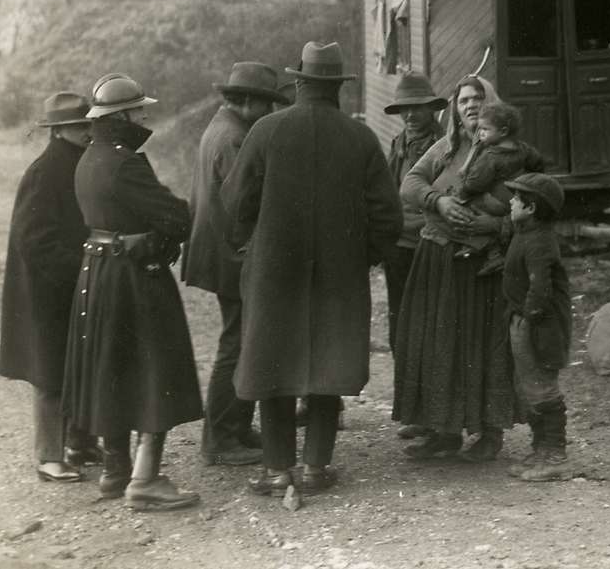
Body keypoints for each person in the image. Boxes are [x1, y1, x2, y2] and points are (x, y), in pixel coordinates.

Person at [222, 42, 402, 498]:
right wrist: (365, 256)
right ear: (337, 88)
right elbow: (388, 215)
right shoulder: (361, 138)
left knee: (271, 360)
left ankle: (277, 468)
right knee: (328, 361)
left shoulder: (265, 130)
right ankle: (315, 468)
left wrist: (248, 243)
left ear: (299, 82)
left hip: (273, 268)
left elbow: (235, 201)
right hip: (340, 275)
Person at [62, 73, 203, 511]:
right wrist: (172, 230)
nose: (145, 116)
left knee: (112, 367)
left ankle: (115, 470)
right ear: (122, 116)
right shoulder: (127, 162)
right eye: (139, 109)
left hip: (98, 274)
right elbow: (176, 217)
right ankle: (145, 481)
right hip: (135, 276)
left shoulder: (87, 158)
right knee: (154, 368)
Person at [392, 74, 516, 463]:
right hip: (439, 256)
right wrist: (438, 202)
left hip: (483, 262)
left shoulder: (510, 152)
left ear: (491, 102)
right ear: (455, 108)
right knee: (438, 343)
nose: (470, 105)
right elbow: (409, 183)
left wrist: (493, 225)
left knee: (482, 344)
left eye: (478, 98)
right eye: (463, 100)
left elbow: (533, 205)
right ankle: (444, 433)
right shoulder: (445, 149)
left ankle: (489, 433)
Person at [182, 62, 287, 466]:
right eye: (265, 104)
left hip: (222, 252)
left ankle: (235, 428)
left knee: (240, 341)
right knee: (237, 344)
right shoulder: (234, 138)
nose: (269, 113)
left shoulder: (222, 128)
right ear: (246, 102)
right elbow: (244, 201)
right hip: (231, 255)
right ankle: (221, 438)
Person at [0, 92, 100, 483]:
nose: (87, 131)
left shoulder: (79, 161)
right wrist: (77, 269)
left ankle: (81, 443)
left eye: (89, 124)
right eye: (78, 126)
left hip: (73, 283)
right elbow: (32, 238)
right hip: (46, 291)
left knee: (80, 365)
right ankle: (48, 456)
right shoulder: (43, 171)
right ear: (58, 130)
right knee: (50, 373)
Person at [501, 172, 574, 482]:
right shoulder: (524, 233)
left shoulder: (540, 242)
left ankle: (555, 454)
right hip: (523, 320)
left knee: (542, 385)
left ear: (531, 208)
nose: (510, 201)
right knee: (529, 384)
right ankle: (540, 449)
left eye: (516, 198)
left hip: (538, 325)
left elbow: (540, 287)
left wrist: (529, 318)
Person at [382, 73, 448, 354]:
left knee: (432, 314)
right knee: (399, 313)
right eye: (404, 109)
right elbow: (387, 188)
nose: (409, 115)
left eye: (417, 107)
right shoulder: (397, 143)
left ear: (431, 109)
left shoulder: (445, 145)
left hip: (430, 239)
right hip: (399, 243)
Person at [452, 101, 544, 276]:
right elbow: (538, 163)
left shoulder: (491, 156)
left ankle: (485, 249)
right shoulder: (523, 148)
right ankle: (494, 252)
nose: (480, 133)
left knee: (468, 206)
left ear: (502, 132)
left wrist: (462, 193)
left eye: (485, 129)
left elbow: (476, 182)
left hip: (496, 201)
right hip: (516, 199)